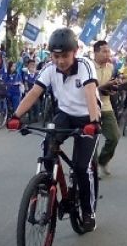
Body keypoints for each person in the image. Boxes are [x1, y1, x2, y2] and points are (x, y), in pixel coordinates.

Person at [7, 28, 102, 230]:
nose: (60, 61)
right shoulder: (49, 69)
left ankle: (88, 211)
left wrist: (93, 122)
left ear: (74, 52)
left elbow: (90, 93)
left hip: (87, 116)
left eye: (65, 56)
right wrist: (16, 116)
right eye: (56, 56)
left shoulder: (85, 66)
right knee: (48, 148)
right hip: (65, 115)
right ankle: (48, 184)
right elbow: (34, 93)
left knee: (81, 168)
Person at [93, 41, 121, 177]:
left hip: (106, 106)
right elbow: (87, 90)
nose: (107, 54)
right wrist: (104, 86)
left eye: (108, 51)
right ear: (95, 52)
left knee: (114, 137)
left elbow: (108, 86)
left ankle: (102, 161)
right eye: (104, 51)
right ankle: (92, 168)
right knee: (91, 140)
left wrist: (112, 88)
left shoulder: (110, 67)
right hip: (90, 107)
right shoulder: (89, 67)